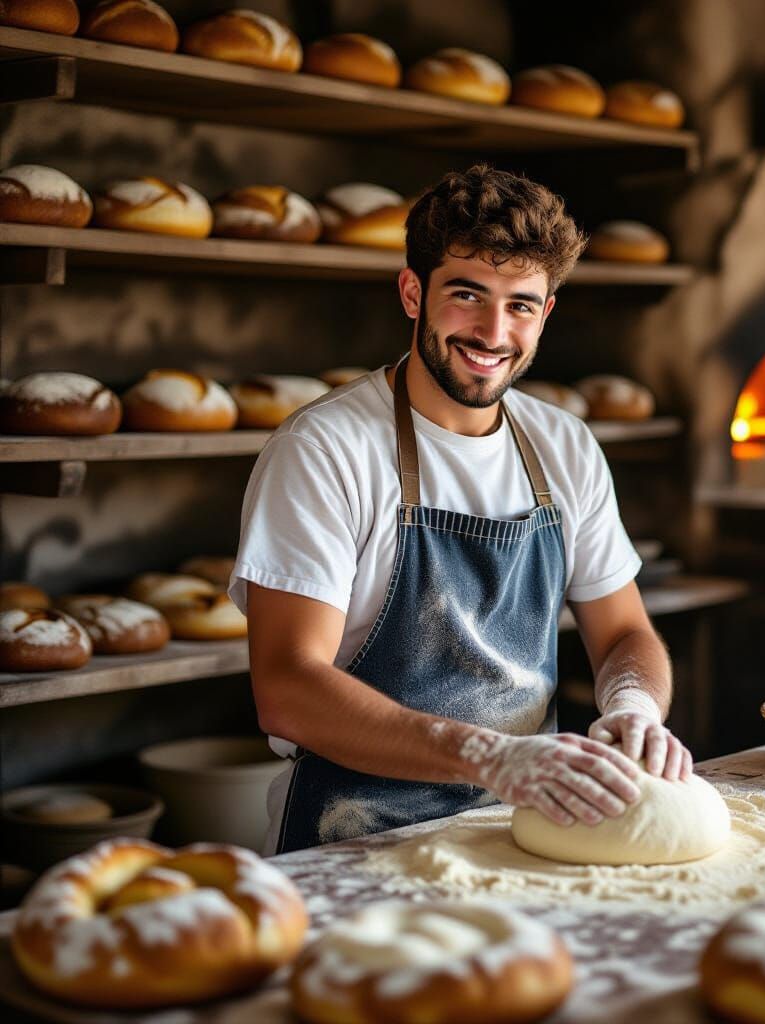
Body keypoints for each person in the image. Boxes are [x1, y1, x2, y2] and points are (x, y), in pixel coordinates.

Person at [228, 164, 692, 854]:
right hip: (354, 835)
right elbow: (289, 686)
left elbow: (625, 632)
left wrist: (635, 708)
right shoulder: (326, 449)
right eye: (467, 294)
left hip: (526, 826)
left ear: (547, 313)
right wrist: (491, 756)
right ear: (413, 292)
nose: (492, 332)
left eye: (521, 305)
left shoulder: (561, 444)